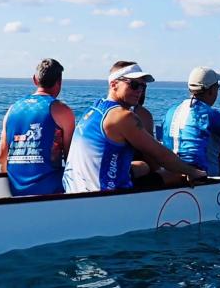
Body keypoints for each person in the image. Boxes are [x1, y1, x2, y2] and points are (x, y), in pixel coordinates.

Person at [63, 61, 206, 193]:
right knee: (175, 174)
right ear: (114, 84)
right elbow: (160, 154)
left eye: (143, 86)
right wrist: (193, 172)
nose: (140, 91)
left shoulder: (95, 108)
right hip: (106, 196)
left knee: (142, 166)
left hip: (73, 189)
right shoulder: (123, 116)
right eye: (134, 85)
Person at [0, 59, 75, 196]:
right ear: (59, 82)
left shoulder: (12, 109)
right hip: (50, 189)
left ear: (34, 79)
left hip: (15, 189)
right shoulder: (62, 110)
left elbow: (1, 156)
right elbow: (71, 158)